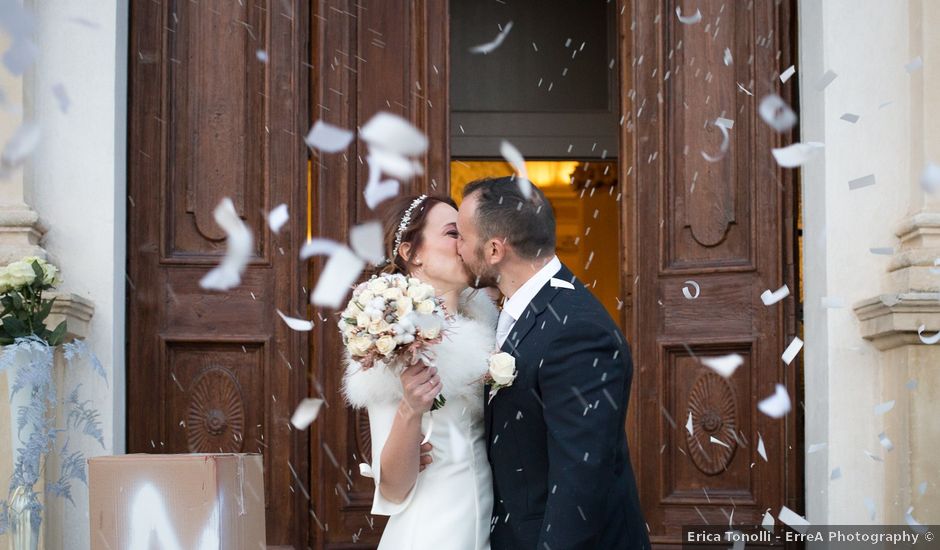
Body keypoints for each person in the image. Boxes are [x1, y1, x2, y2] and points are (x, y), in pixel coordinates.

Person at [456, 177, 650, 550]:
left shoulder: (576, 331)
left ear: (494, 249)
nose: (458, 249)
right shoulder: (528, 311)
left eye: (463, 237)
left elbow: (580, 482)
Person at [343, 194, 497, 550]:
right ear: (413, 254)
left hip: (487, 527)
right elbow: (393, 489)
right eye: (452, 233)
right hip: (433, 533)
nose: (465, 244)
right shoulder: (395, 341)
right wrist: (411, 411)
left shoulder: (492, 330)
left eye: (467, 233)